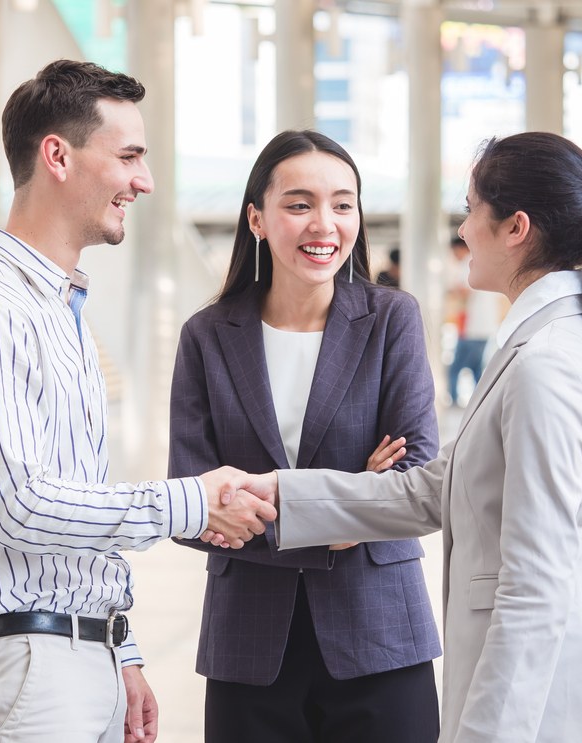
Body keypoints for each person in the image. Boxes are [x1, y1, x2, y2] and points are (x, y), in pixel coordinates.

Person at [218, 131, 582, 743]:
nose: (465, 228)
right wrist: (280, 493)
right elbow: (432, 489)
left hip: (544, 706)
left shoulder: (545, 364)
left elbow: (535, 586)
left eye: (472, 209)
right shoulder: (545, 344)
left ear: (515, 227)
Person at [0, 59, 275, 743]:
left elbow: (72, 508)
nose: (145, 180)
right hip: (24, 674)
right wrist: (194, 500)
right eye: (129, 155)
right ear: (57, 156)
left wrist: (119, 647)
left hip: (74, 663)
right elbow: (22, 503)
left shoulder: (61, 309)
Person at [168, 129, 442, 743]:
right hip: (249, 647)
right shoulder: (207, 337)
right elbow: (192, 502)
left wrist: (266, 507)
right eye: (299, 204)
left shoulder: (391, 320)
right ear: (257, 219)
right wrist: (352, 501)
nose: (325, 224)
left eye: (343, 205)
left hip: (381, 636)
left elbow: (417, 480)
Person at [446, 236, 500, 406]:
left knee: (455, 368)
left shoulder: (467, 264)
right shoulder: (485, 263)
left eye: (454, 252)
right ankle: (480, 403)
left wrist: (450, 291)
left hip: (471, 328)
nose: (454, 256)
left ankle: (454, 400)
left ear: (461, 248)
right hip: (485, 327)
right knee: (477, 369)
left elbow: (465, 291)